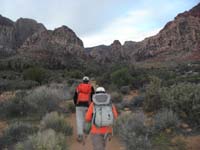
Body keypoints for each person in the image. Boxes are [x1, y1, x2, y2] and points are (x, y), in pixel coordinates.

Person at [73, 76, 94, 142]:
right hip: (88, 106)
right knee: (87, 119)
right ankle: (86, 132)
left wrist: (75, 104)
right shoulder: (91, 87)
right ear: (88, 81)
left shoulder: (78, 87)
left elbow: (75, 97)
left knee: (79, 120)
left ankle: (80, 135)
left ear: (82, 81)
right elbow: (93, 97)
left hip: (79, 106)